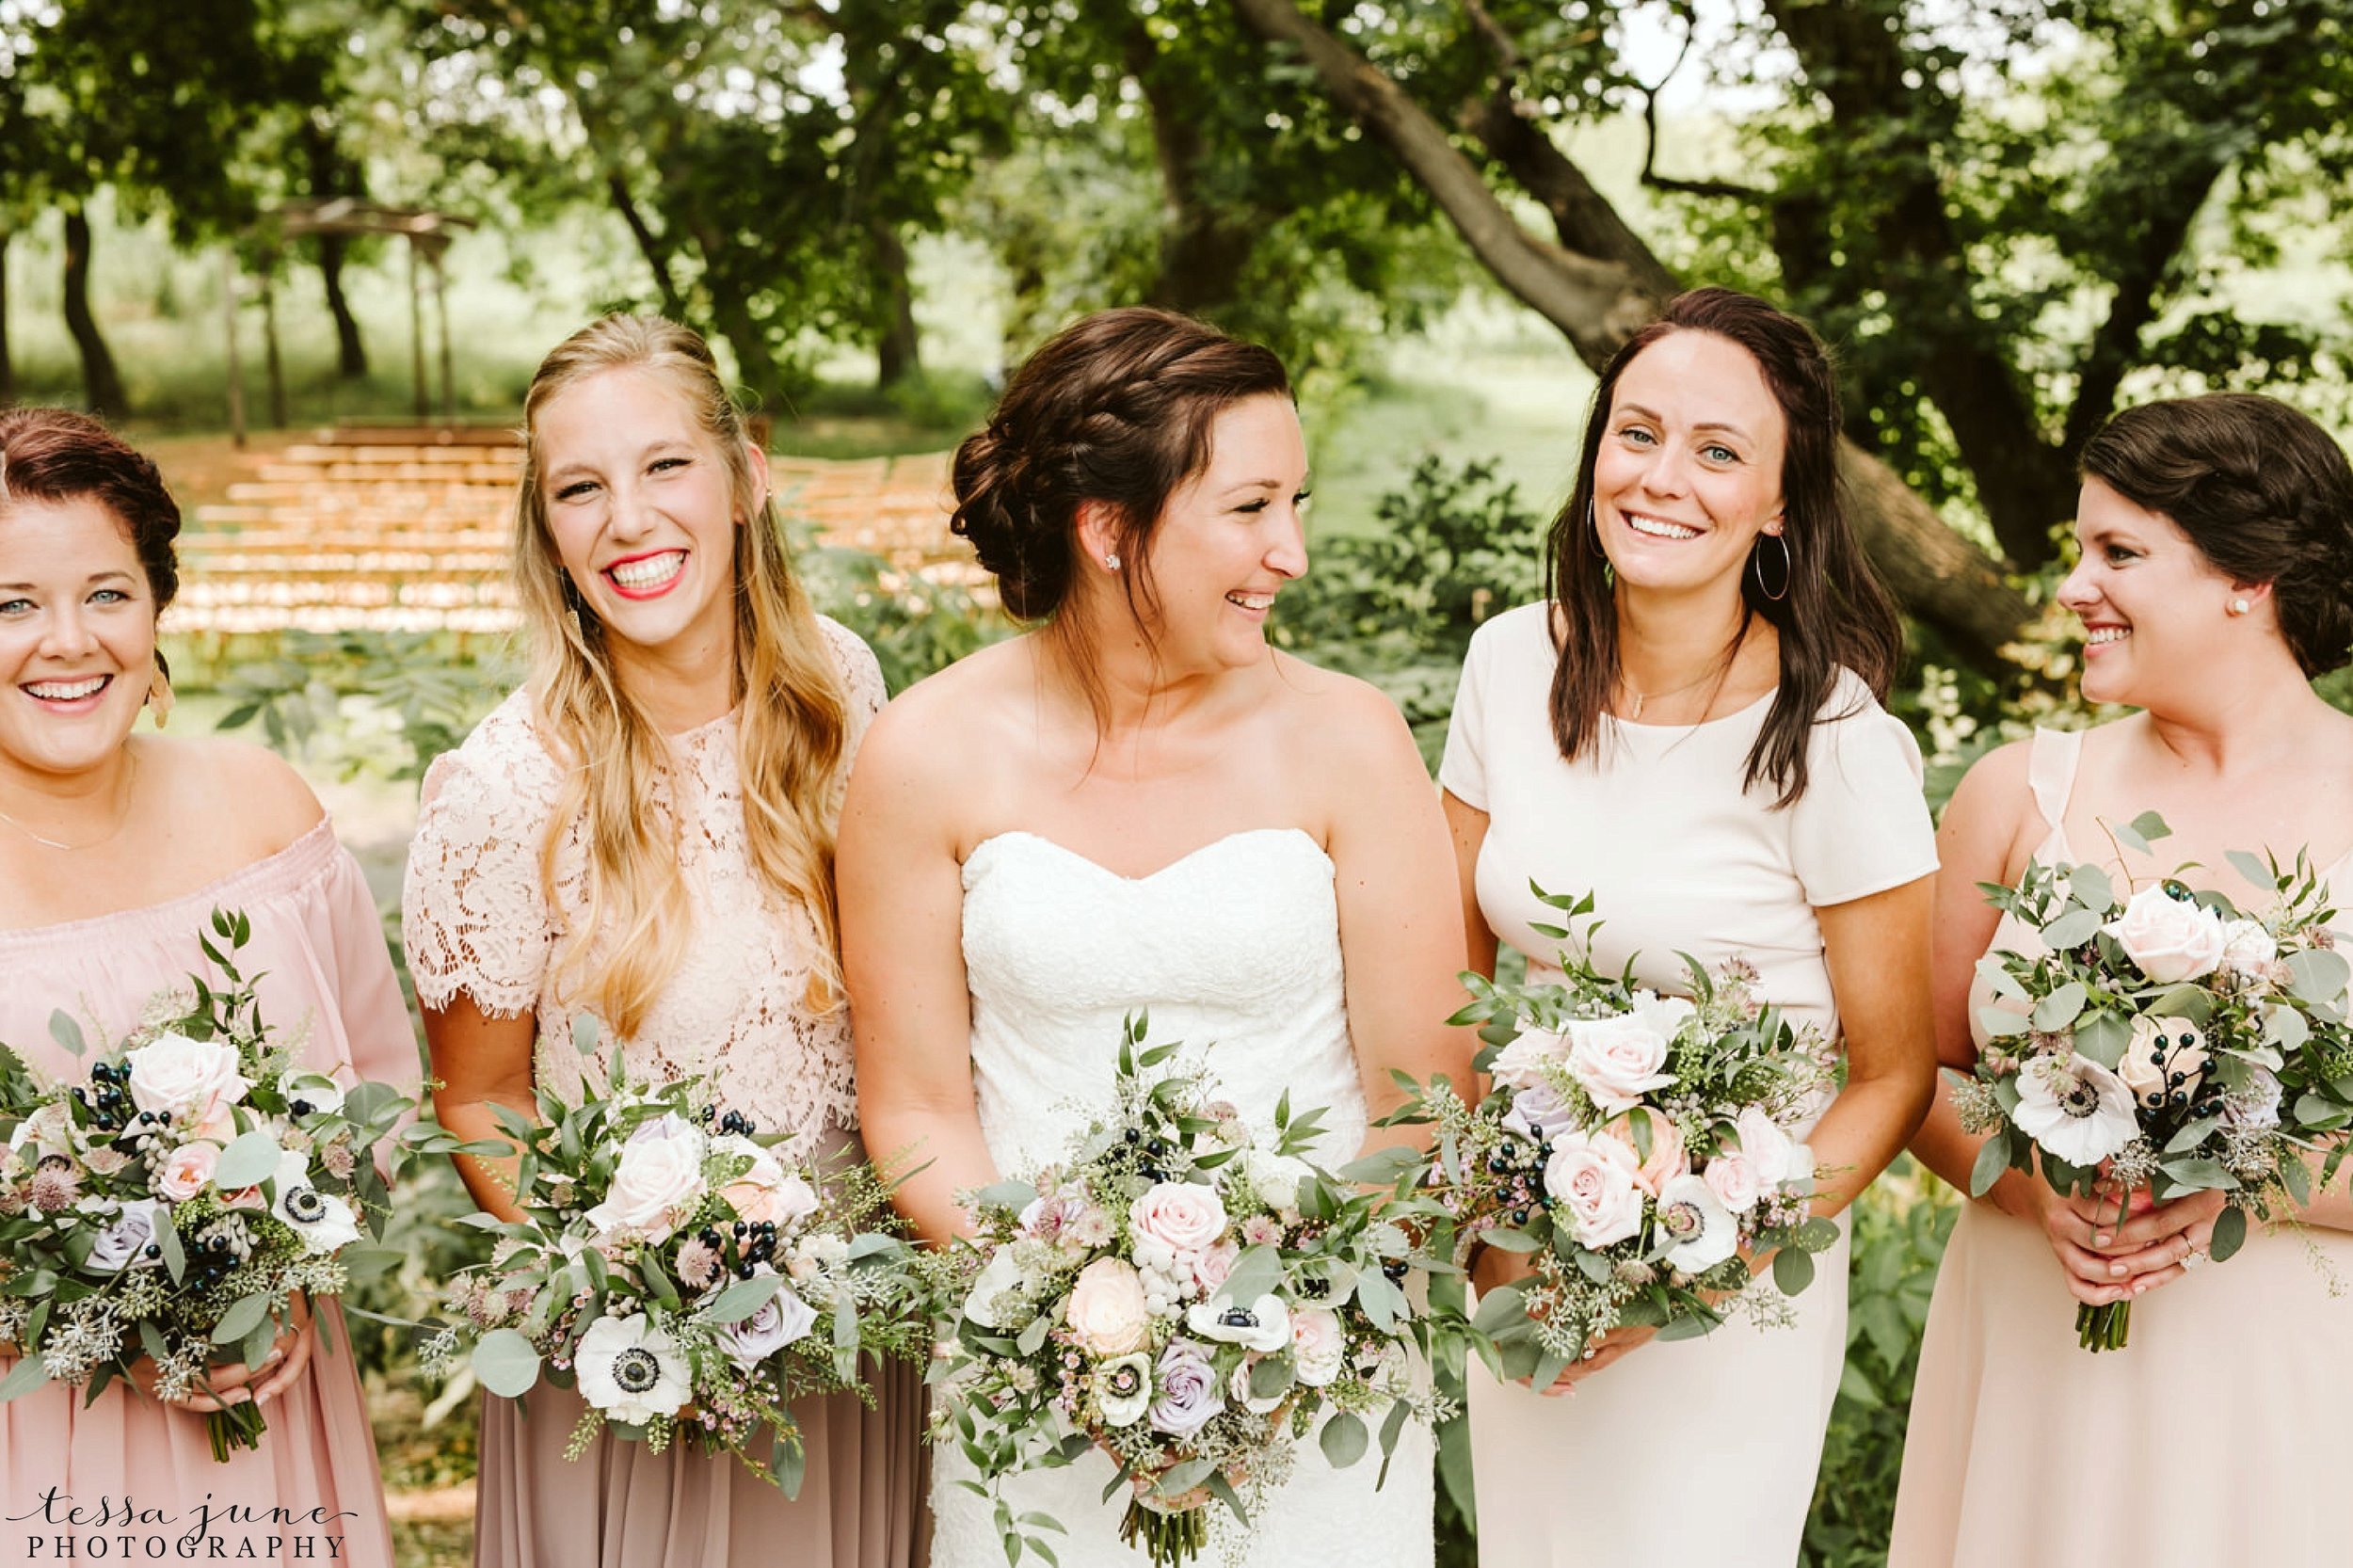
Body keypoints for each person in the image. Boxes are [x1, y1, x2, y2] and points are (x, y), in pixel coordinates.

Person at [840, 305, 1468, 1568]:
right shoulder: (924, 749)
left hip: (1316, 1381)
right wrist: (1073, 1320)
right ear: (1109, 529)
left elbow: (1425, 1100)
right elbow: (914, 1107)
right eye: (1250, 508)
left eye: (1297, 501)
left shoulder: (1352, 737)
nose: (1292, 551)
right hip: (1038, 1392)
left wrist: (1275, 1316)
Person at [401, 314, 921, 1568]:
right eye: (581, 487)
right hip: (638, 1378)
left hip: (855, 1347)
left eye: (664, 466)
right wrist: (637, 1315)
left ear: (746, 479)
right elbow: (479, 1099)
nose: (627, 518)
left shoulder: (841, 690)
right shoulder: (504, 788)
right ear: (550, 530)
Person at [1444, 288, 1938, 1565]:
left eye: (1719, 452)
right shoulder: (1508, 662)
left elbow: (1891, 1072)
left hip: (1728, 1302)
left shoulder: (1835, 740)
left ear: (1781, 501)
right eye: (1638, 433)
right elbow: (1455, 976)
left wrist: (1691, 1269)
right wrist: (1480, 1223)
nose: (1664, 479)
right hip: (1522, 1260)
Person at [1889, 392, 2353, 1566]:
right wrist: (2029, 1186)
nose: (2071, 587)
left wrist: (2246, 1176)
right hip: (2034, 1343)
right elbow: (1917, 1077)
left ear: (2247, 578)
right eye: (2078, 549)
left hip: (2274, 1374)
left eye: (2119, 552)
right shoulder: (2014, 795)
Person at [0, 408, 408, 1565]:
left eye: (106, 593)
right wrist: (99, 1321)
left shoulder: (263, 807)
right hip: (35, 1444)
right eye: (12, 604)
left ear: (157, 604)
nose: (67, 641)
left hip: (276, 1418)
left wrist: (271, 1266)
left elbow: (377, 1090)